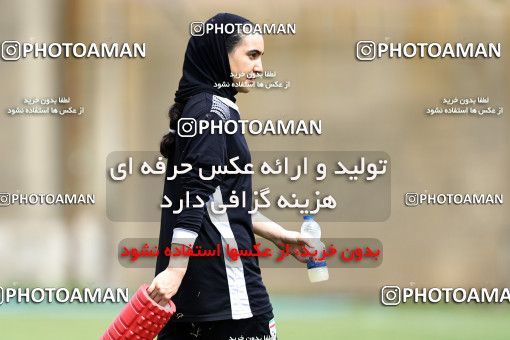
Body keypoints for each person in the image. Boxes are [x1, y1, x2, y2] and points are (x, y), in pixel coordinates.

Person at [151, 13, 309, 340]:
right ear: (221, 57)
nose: (260, 67)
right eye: (252, 55)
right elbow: (194, 197)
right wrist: (175, 270)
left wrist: (276, 233)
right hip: (227, 294)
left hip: (198, 295)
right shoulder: (211, 111)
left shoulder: (209, 108)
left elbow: (219, 199)